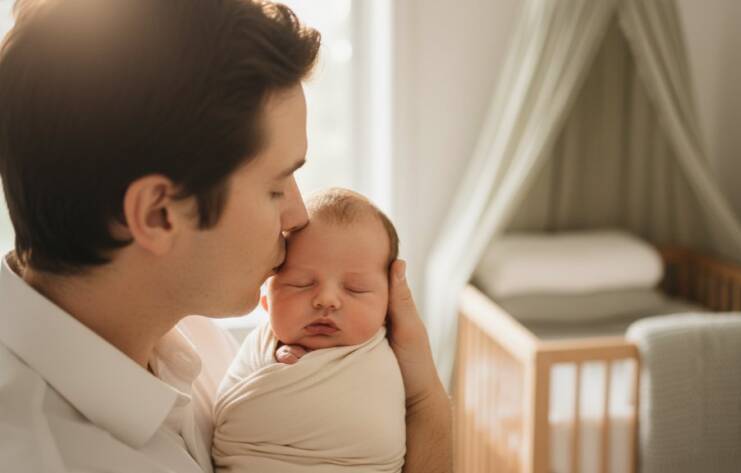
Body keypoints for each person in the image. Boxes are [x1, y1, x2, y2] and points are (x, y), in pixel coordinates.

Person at [0, 1, 452, 472]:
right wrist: (429, 410)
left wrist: (422, 400)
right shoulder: (39, 454)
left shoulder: (190, 336)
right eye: (276, 187)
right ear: (158, 214)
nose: (298, 216)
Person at [213, 187, 406, 472]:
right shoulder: (259, 347)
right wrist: (275, 367)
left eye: (356, 289)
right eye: (301, 283)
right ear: (267, 300)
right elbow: (232, 415)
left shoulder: (393, 353)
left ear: (389, 303)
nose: (326, 300)